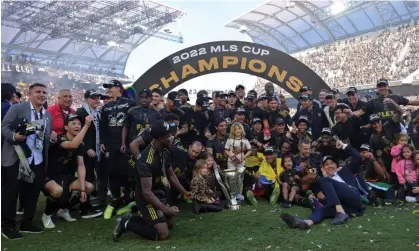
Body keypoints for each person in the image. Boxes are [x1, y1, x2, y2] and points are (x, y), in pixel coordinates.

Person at [112, 121, 190, 242]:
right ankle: (126, 222)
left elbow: (171, 174)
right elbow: (147, 192)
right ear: (160, 138)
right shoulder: (146, 161)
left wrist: (185, 192)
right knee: (163, 233)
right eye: (169, 136)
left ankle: (133, 218)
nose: (172, 138)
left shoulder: (165, 150)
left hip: (159, 192)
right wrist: (166, 209)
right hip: (146, 198)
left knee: (170, 225)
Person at [1, 83, 54, 239]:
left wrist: (52, 138)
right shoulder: (17, 108)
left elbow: (45, 138)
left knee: (33, 193)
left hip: (37, 159)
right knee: (11, 193)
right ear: (29, 94)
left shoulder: (47, 115)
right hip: (16, 157)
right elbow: (3, 127)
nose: (42, 95)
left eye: (44, 92)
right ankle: (7, 226)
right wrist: (14, 136)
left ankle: (27, 223)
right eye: (38, 92)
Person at [281, 140, 365, 229]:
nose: (330, 166)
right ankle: (306, 222)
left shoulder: (345, 171)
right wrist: (316, 194)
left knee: (324, 180)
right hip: (347, 207)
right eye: (327, 164)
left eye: (332, 163)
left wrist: (344, 145)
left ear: (336, 165)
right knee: (321, 208)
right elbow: (319, 195)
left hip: (353, 196)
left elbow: (358, 157)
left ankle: (341, 212)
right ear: (323, 168)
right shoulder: (323, 182)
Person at [41, 114, 98, 229]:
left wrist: (82, 189)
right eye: (74, 123)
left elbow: (81, 165)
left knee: (89, 187)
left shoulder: (80, 144)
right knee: (58, 191)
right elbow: (72, 144)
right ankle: (46, 215)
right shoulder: (60, 138)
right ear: (66, 127)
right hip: (49, 176)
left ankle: (63, 209)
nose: (77, 126)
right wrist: (86, 126)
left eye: (79, 124)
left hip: (66, 176)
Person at [100, 80, 136, 219]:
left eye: (110, 87)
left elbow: (133, 124)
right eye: (107, 88)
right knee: (112, 172)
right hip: (110, 145)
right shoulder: (106, 106)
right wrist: (102, 141)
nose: (108, 90)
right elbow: (103, 126)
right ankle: (115, 199)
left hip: (125, 145)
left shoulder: (130, 103)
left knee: (126, 171)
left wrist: (131, 142)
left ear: (118, 88)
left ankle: (128, 198)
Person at [76, 89, 104, 215]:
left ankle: (86, 203)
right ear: (86, 99)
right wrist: (87, 147)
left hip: (96, 149)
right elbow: (77, 132)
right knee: (87, 178)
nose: (97, 100)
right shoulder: (81, 112)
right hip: (85, 150)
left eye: (98, 97)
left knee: (92, 177)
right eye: (94, 98)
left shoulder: (97, 111)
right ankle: (84, 208)